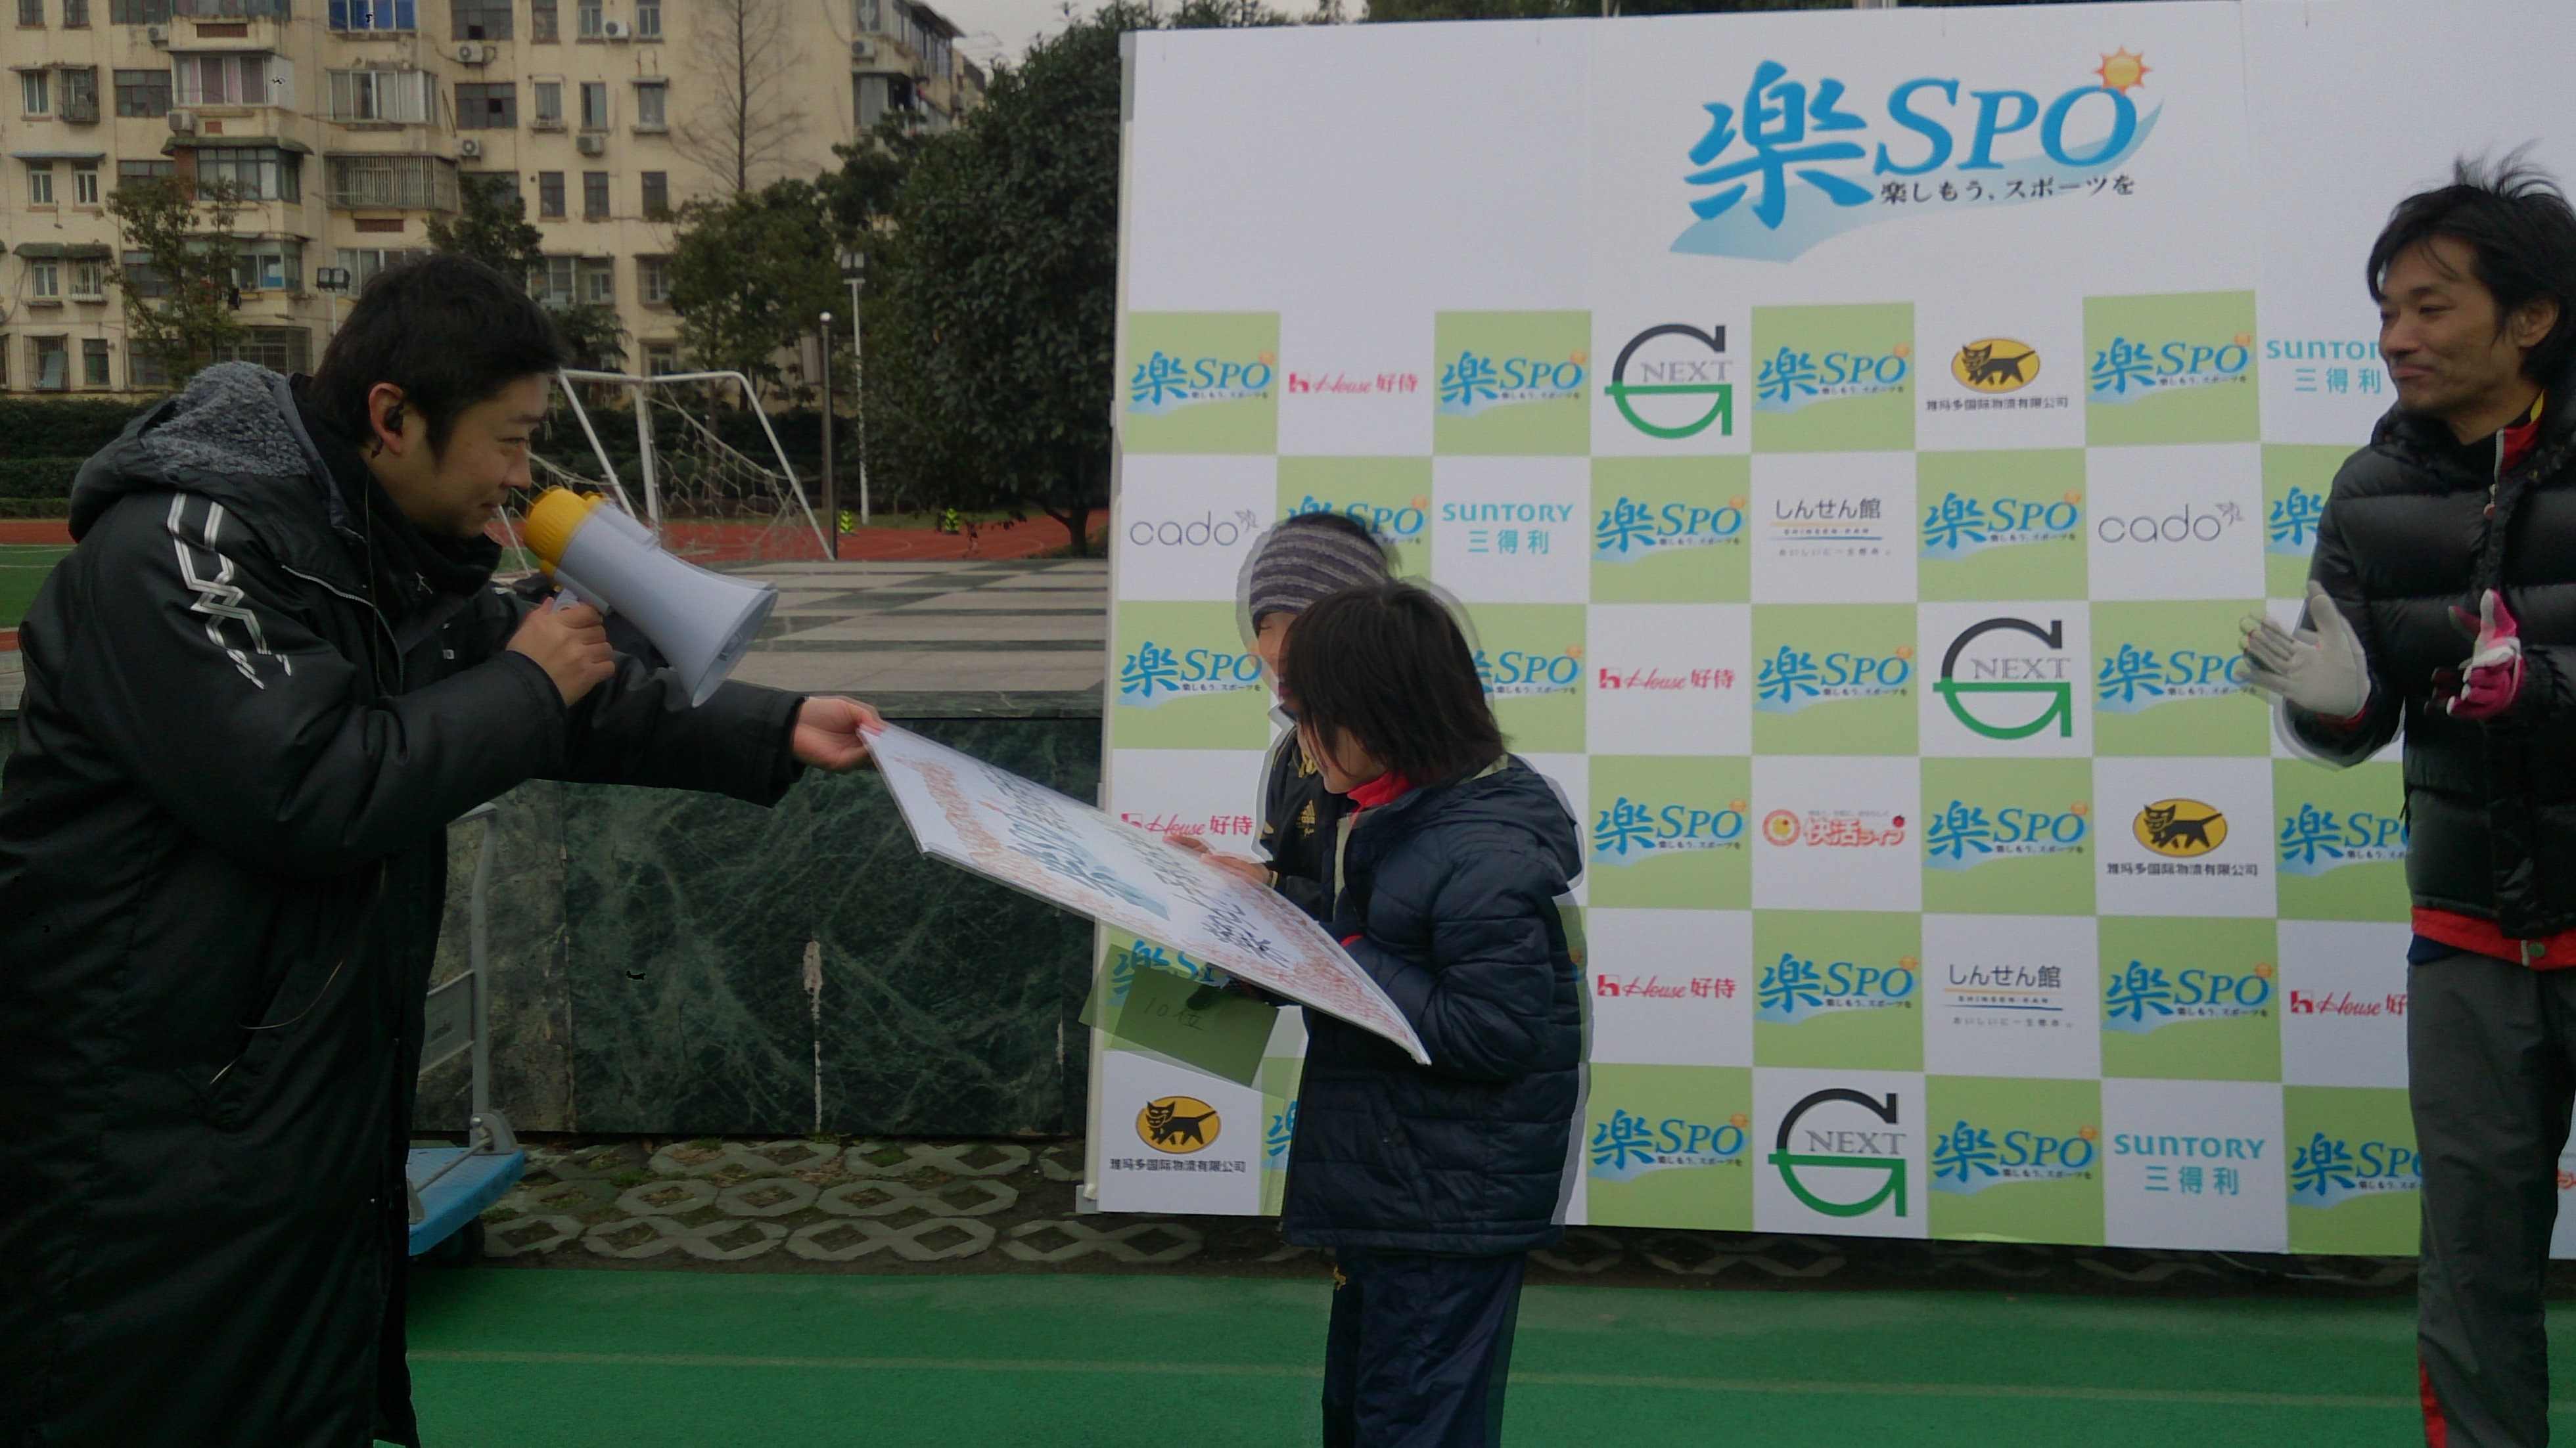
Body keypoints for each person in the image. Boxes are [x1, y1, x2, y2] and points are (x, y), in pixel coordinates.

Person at [0, 254, 881, 1448]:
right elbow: (310, 786)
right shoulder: (177, 546)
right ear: (393, 418)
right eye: (509, 440)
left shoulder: (370, 543)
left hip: (277, 1117)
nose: (523, 476)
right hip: (144, 1145)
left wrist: (777, 725)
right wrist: (528, 681)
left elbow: (571, 697)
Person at [2238, 154, 2576, 1448]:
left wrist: (2541, 686)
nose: (2397, 337)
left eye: (2432, 306)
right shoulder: (2368, 490)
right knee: (2474, 1263)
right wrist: (2330, 703)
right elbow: (2356, 715)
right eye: (2387, 310)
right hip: (2471, 938)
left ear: (2531, 317)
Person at [1272, 580, 1582, 1448]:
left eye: (1314, 717)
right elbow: (1378, 937)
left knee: (1411, 1425)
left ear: (1383, 716)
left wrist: (1326, 944)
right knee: (1367, 1416)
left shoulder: (1480, 847)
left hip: (1444, 1205)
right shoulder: (1398, 808)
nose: (1302, 740)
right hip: (1398, 1182)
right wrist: (1261, 905)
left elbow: (1491, 1031)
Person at [1178, 509, 1395, 920]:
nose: (1276, 650)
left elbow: (1399, 910)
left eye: (1298, 624)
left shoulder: (1411, 748)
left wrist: (1273, 889)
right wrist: (1224, 877)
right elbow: (1296, 877)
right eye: (1265, 626)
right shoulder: (1292, 749)